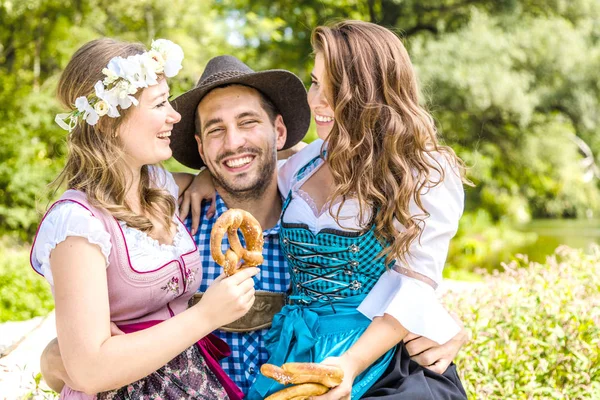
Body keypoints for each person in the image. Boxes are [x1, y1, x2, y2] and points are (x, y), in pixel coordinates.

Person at [39, 54, 469, 397]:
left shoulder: (320, 215)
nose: (234, 143)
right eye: (215, 132)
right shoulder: (174, 226)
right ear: (201, 150)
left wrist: (437, 323)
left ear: (279, 133)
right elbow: (84, 346)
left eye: (248, 123)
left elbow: (403, 277)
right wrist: (57, 359)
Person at [247, 20, 469, 400]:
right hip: (298, 350)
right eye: (315, 82)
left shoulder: (421, 172)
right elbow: (248, 176)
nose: (316, 101)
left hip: (382, 357)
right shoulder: (301, 166)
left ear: (373, 92)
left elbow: (416, 288)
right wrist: (201, 178)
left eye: (335, 88)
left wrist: (348, 364)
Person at [30, 38, 258, 399]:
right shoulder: (77, 225)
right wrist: (205, 316)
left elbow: (244, 161)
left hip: (193, 380)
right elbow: (88, 370)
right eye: (161, 103)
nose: (175, 116)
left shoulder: (160, 186)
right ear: (108, 121)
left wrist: (202, 178)